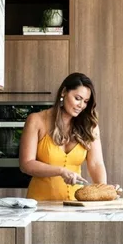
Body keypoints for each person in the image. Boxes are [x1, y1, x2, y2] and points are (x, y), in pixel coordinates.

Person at [19, 72, 112, 201]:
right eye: (77, 98)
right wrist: (61, 171)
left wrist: (105, 190)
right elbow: (26, 164)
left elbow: (96, 164)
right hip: (40, 203)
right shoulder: (36, 120)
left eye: (85, 101)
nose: (81, 105)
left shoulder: (90, 126)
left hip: (75, 204)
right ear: (63, 92)